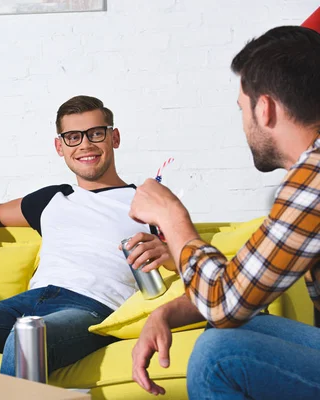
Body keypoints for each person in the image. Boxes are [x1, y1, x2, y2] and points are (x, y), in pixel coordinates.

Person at [0, 95, 175, 377]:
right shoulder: (53, 198)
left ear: (114, 138)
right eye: (73, 137)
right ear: (59, 146)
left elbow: (191, 259)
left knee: (26, 335)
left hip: (91, 311)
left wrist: (168, 253)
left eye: (96, 134)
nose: (85, 144)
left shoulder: (147, 200)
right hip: (25, 305)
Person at [129, 26, 320, 399]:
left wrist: (172, 215)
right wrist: (165, 313)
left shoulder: (313, 179)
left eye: (241, 109)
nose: (244, 124)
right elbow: (241, 291)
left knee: (219, 356)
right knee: (226, 332)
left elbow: (223, 302)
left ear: (264, 109)